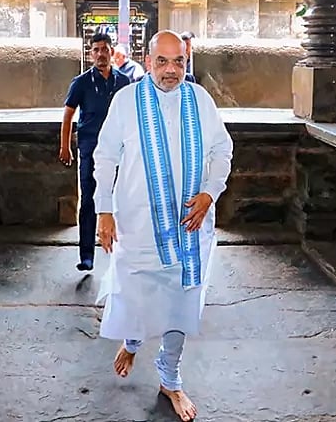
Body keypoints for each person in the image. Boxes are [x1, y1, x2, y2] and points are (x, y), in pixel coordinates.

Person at [91, 30, 233, 421]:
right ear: (148, 60)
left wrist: (210, 193)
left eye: (179, 61)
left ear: (187, 62)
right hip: (138, 224)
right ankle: (133, 341)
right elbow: (105, 157)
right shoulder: (126, 101)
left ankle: (170, 379)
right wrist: (104, 211)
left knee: (180, 302)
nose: (171, 70)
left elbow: (223, 150)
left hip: (189, 225)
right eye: (162, 61)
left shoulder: (200, 99)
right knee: (137, 294)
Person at [60, 32, 131, 272]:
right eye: (96, 50)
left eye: (105, 49)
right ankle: (87, 254)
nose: (101, 54)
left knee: (121, 198)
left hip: (120, 149)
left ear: (112, 52)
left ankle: (121, 249)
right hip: (90, 148)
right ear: (90, 54)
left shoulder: (123, 81)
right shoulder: (80, 82)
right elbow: (68, 114)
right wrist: (65, 146)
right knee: (89, 198)